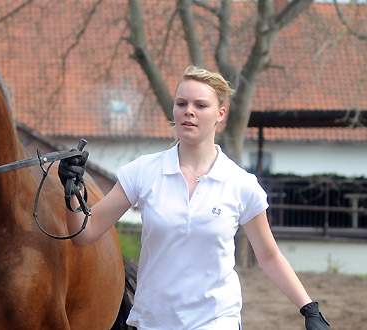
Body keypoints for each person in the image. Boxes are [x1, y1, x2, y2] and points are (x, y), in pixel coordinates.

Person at [59, 66, 330, 330]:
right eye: (181, 103)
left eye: (201, 105)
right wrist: (71, 189)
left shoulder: (241, 184)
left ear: (220, 114)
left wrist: (308, 308)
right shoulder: (142, 172)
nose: (189, 110)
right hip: (154, 321)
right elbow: (86, 232)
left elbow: (269, 257)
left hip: (215, 320)